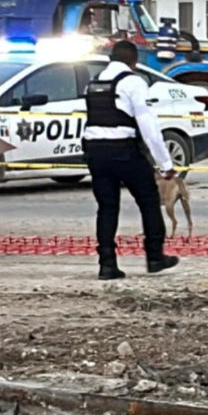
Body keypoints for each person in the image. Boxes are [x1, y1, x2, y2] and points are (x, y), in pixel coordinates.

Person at [83, 40, 179, 281]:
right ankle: (155, 256)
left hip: (95, 151)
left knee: (107, 207)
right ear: (134, 62)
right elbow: (148, 125)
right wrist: (165, 164)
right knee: (148, 200)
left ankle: (107, 264)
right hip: (123, 150)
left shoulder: (94, 84)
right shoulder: (134, 82)